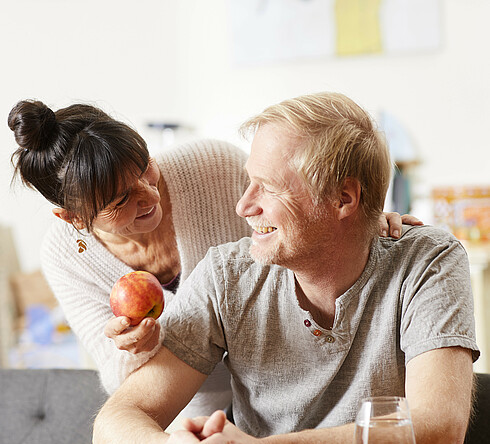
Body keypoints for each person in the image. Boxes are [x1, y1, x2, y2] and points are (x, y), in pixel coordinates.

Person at [92, 91, 479, 444]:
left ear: (343, 198)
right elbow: (118, 419)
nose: (243, 206)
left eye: (268, 187)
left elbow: (438, 432)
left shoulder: (428, 260)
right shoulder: (227, 274)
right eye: (248, 182)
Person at [8, 98, 410, 421]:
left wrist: (360, 221)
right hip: (186, 412)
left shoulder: (212, 167)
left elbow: (297, 209)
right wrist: (136, 346)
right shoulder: (64, 255)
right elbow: (119, 382)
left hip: (278, 386)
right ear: (73, 218)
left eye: (146, 169)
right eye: (121, 199)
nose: (148, 194)